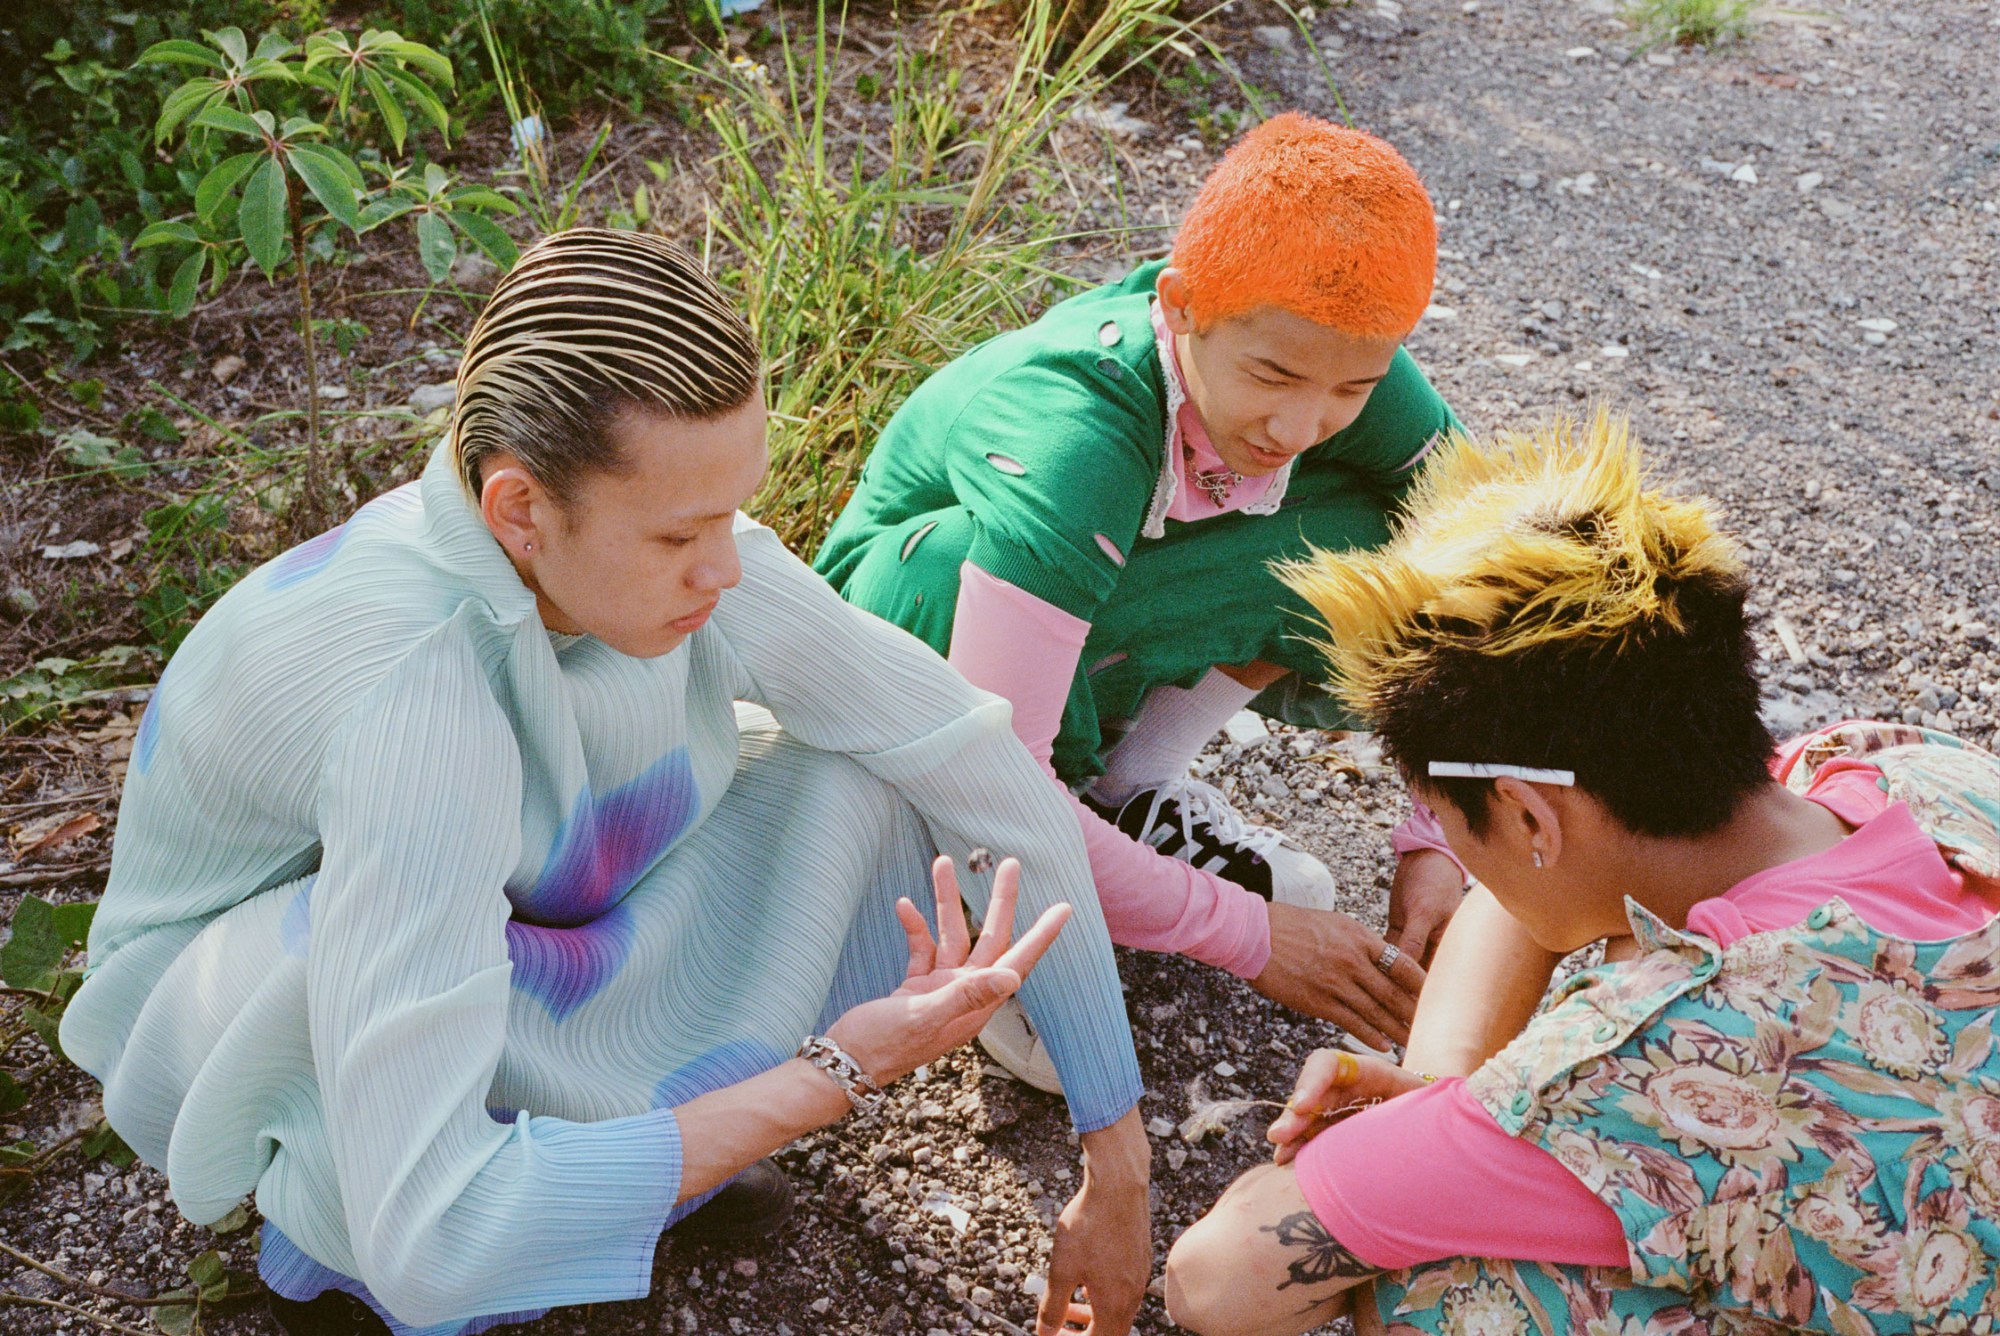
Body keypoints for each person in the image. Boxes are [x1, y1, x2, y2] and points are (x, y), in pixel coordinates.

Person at [60, 229, 1154, 1336]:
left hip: (514, 928)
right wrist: (831, 1074)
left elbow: (970, 758)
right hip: (263, 1005)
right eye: (681, 533)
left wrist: (1116, 1157)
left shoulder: (641, 559)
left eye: (731, 513)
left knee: (868, 784)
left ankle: (630, 1169)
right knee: (422, 1203)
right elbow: (436, 1242)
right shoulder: (418, 704)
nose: (725, 566)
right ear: (520, 511)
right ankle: (338, 1254)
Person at [1163, 414, 2000, 1335]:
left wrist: (1434, 1142)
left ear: (1527, 816)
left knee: (1442, 1280)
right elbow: (1542, 879)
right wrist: (1448, 1096)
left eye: (1442, 824)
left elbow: (1215, 1282)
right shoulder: (1899, 769)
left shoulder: (1647, 1064)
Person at [814, 113, 1468, 1081]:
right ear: (1181, 306)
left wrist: (1441, 831)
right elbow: (1001, 773)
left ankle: (1127, 782)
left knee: (1388, 551)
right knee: (944, 570)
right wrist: (1251, 935)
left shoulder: (1335, 361)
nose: (1300, 423)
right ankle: (964, 886)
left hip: (1082, 645)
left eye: (1350, 390)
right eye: (1271, 375)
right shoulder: (1072, 424)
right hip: (910, 673)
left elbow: (1492, 587)